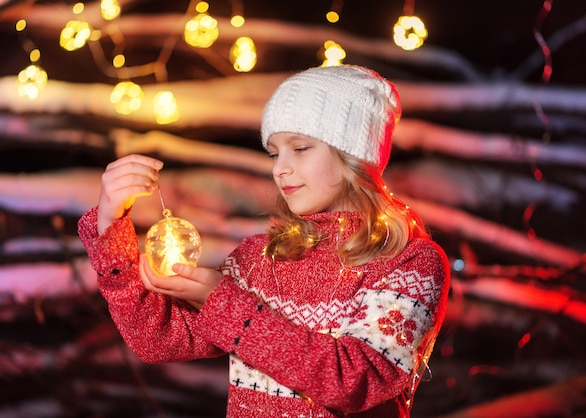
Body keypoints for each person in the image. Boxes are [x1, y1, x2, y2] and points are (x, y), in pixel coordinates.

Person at [78, 65, 451, 418]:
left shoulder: (410, 263)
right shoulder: (262, 258)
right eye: (274, 153)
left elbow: (352, 380)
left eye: (300, 148)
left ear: (354, 154)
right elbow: (156, 339)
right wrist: (111, 227)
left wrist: (223, 303)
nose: (279, 168)